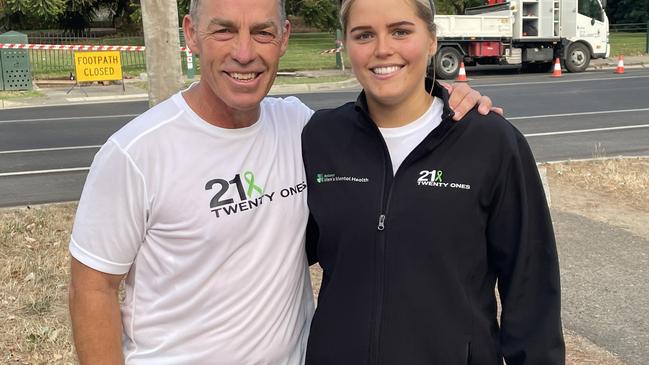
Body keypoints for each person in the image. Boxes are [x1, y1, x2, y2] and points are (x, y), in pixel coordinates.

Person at [67, 0, 497, 363]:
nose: (244, 52)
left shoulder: (303, 128)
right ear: (191, 34)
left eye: (262, 32)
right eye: (223, 31)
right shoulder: (136, 153)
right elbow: (92, 287)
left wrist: (450, 102)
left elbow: (392, 123)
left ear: (285, 37)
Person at [302, 0, 565, 364]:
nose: (383, 49)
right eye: (364, 35)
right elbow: (290, 245)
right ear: (346, 44)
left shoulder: (491, 143)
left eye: (401, 31)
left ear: (431, 40)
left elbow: (531, 287)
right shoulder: (320, 137)